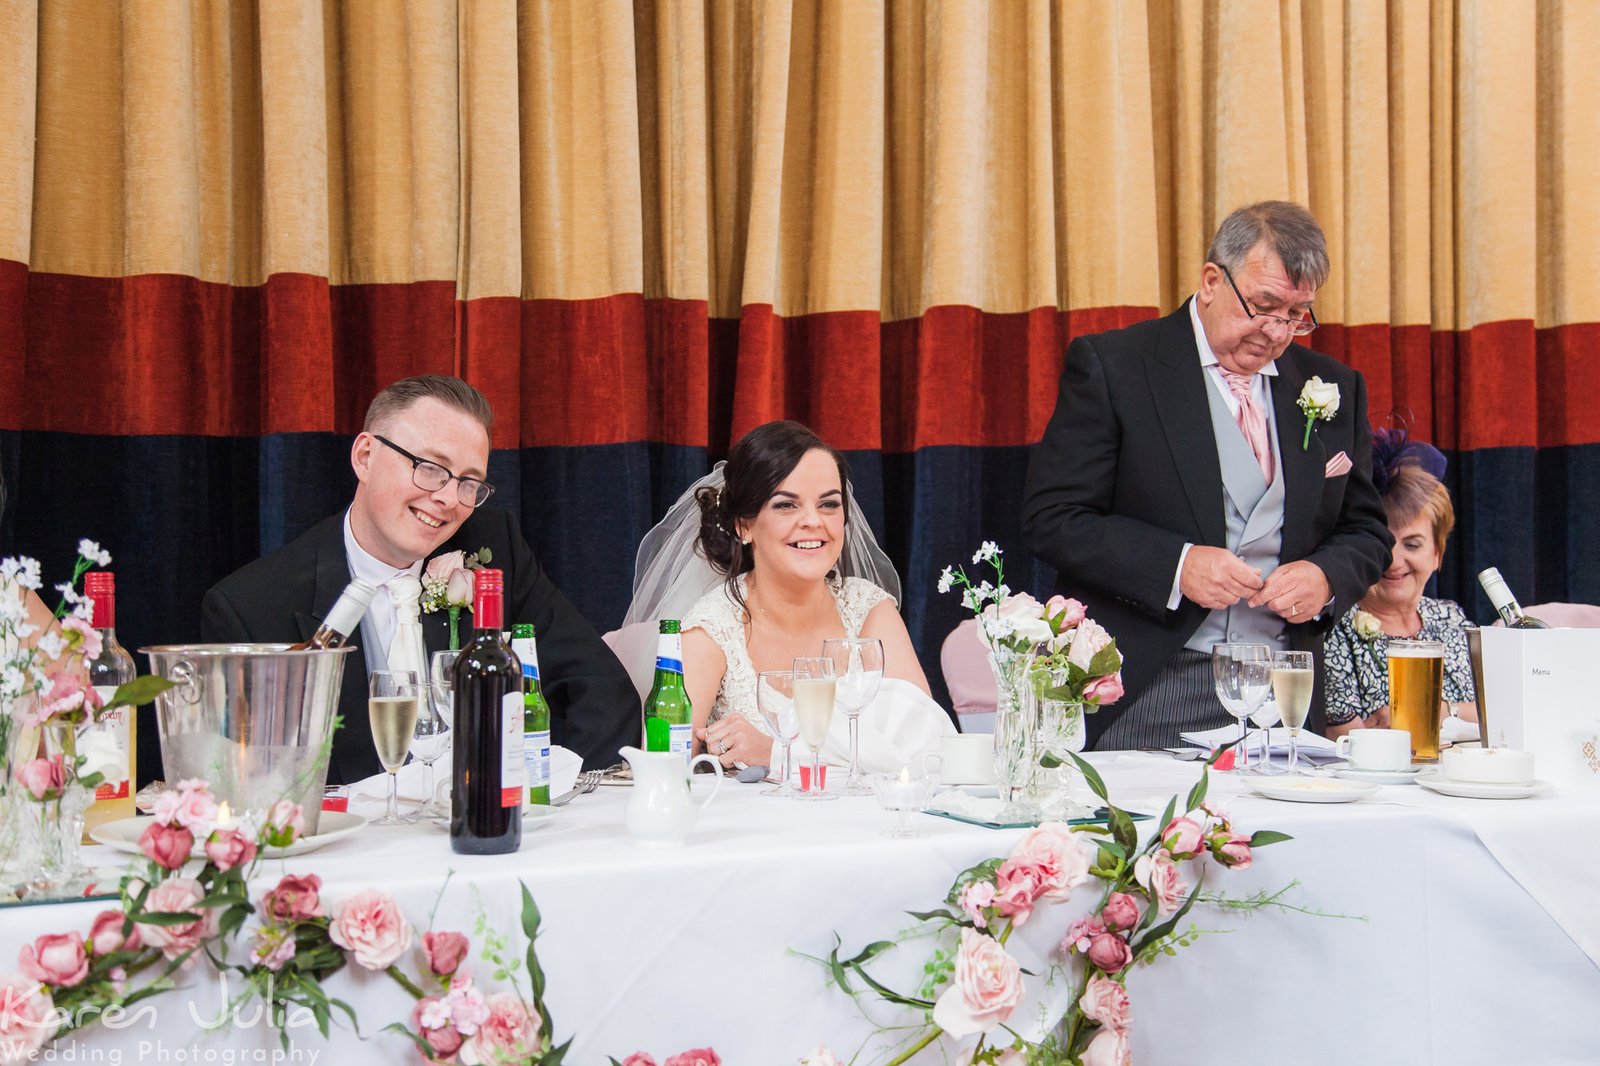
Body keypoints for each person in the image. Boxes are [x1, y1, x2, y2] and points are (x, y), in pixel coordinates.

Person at [1022, 201, 1393, 749]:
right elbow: (1052, 518)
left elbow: (1367, 531)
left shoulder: (1332, 385)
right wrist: (1177, 565)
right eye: (1265, 305)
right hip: (1146, 683)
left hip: (1285, 692)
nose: (1277, 332)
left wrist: (1326, 578)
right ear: (1212, 280)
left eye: (1297, 315)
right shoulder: (1118, 366)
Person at [202, 375, 639, 784]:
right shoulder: (251, 607)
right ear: (365, 457)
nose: (449, 498)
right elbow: (241, 780)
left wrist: (557, 803)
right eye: (431, 467)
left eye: (470, 482)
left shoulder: (492, 549)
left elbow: (602, 690)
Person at [625, 420, 951, 773]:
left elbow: (928, 752)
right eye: (786, 505)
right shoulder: (711, 630)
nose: (813, 521)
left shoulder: (870, 610)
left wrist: (776, 753)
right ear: (743, 525)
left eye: (828, 505)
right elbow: (661, 773)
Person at [1322, 431, 1475, 736]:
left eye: (1413, 545)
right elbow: (1346, 743)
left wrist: (1440, 712)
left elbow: (1502, 715)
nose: (1393, 561)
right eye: (1383, 544)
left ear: (1437, 554)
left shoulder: (1450, 617)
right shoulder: (1334, 628)